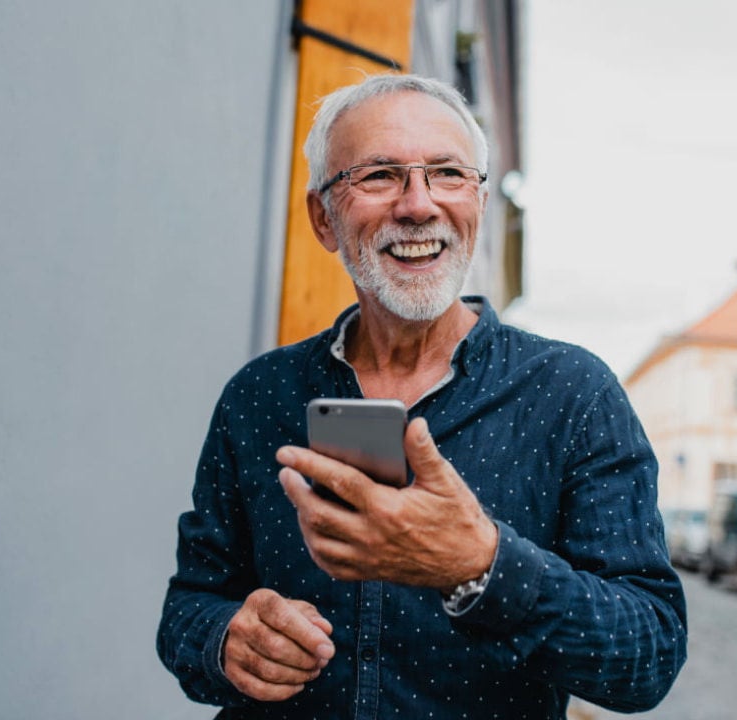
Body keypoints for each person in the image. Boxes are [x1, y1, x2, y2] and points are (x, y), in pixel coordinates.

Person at [157, 73, 687, 719]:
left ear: (480, 206)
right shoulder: (259, 395)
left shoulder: (572, 392)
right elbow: (189, 607)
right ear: (323, 217)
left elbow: (648, 658)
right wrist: (224, 642)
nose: (418, 204)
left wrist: (480, 564)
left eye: (447, 174)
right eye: (379, 175)